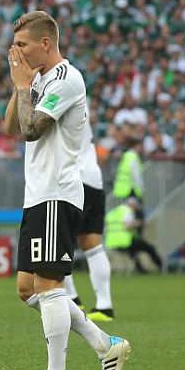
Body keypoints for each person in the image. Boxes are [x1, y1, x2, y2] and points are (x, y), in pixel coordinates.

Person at [3, 11, 130, 370]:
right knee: (27, 289)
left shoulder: (67, 79)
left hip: (57, 193)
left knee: (49, 286)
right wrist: (20, 86)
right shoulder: (38, 79)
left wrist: (24, 86)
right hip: (37, 194)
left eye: (22, 45)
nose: (16, 52)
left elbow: (31, 129)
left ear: (45, 43)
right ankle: (104, 343)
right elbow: (11, 127)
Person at [63, 103, 116, 322]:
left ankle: (72, 300)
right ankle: (105, 306)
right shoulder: (80, 100)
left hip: (72, 178)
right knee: (92, 244)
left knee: (58, 239)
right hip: (93, 177)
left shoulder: (60, 96)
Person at [104, 198, 163, 273]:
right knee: (149, 248)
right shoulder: (127, 211)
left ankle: (140, 269)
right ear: (132, 205)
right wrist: (140, 223)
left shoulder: (113, 212)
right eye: (136, 205)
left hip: (111, 242)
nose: (136, 208)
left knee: (133, 252)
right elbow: (127, 226)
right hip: (124, 241)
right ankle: (160, 266)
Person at [112, 133, 144, 233]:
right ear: (137, 145)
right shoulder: (133, 157)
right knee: (135, 219)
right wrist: (141, 191)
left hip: (121, 191)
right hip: (131, 191)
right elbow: (136, 176)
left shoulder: (125, 156)